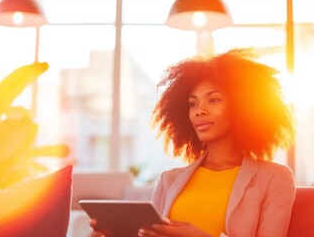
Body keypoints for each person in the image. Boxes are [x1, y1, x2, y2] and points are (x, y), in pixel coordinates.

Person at [89, 48, 296, 237]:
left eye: (213, 100)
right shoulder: (169, 180)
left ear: (243, 106)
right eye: (192, 103)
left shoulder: (275, 178)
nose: (199, 111)